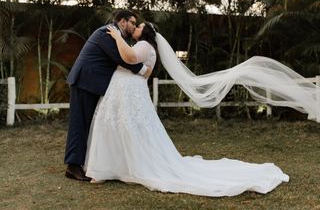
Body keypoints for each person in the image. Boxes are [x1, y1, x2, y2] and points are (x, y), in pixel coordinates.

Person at [83, 22, 297, 197]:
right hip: (126, 92)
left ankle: (112, 168)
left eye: (138, 26)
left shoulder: (144, 46)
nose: (135, 28)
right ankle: (113, 167)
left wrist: (117, 37)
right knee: (121, 128)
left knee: (124, 127)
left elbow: (129, 57)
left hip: (129, 93)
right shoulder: (147, 48)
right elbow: (141, 68)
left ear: (145, 32)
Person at [64, 10, 152, 181]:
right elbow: (121, 58)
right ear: (123, 21)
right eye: (132, 22)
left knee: (87, 123)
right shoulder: (108, 32)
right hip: (85, 81)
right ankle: (73, 167)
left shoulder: (116, 35)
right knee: (80, 122)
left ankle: (80, 163)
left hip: (91, 83)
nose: (134, 26)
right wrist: (143, 70)